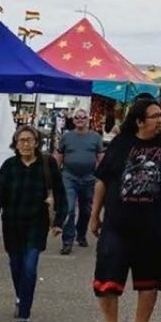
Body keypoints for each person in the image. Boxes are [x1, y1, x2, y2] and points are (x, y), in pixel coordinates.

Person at [88, 99, 161, 322]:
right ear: (139, 121)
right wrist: (94, 215)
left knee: (148, 282)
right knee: (106, 280)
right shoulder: (121, 144)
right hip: (116, 225)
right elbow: (102, 181)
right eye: (155, 116)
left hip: (154, 227)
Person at [0, 126, 70, 322]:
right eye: (21, 140)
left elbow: (60, 194)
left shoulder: (47, 165)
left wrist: (59, 221)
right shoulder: (9, 166)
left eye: (29, 140)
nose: (25, 144)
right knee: (16, 266)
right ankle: (20, 296)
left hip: (36, 224)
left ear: (37, 142)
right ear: (16, 143)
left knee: (30, 267)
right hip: (12, 224)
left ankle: (24, 315)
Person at [56, 108, 104, 255]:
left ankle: (81, 234)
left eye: (83, 117)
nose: (80, 120)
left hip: (89, 178)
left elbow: (100, 157)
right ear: (73, 120)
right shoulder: (67, 137)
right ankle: (67, 241)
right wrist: (54, 175)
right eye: (77, 117)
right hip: (69, 177)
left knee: (86, 210)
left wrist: (102, 175)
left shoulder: (95, 137)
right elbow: (59, 155)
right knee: (69, 209)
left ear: (88, 119)